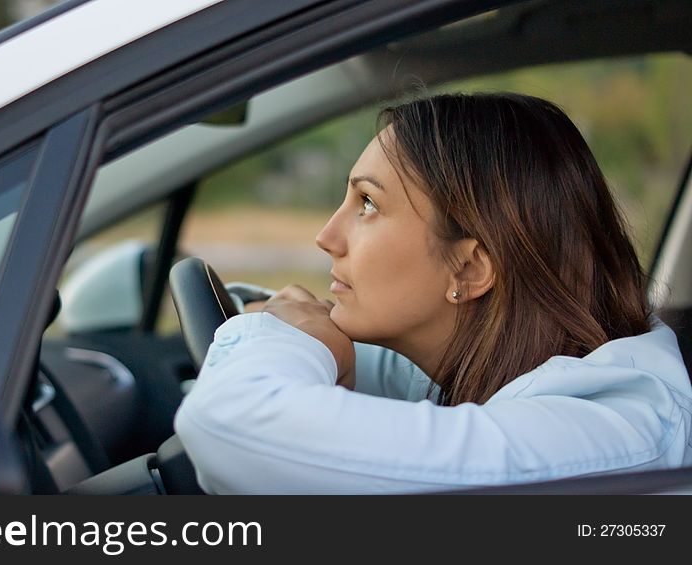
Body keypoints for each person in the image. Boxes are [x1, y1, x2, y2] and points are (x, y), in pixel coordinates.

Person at [173, 93, 692, 494]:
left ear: (468, 269)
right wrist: (286, 327)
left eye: (368, 204)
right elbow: (365, 361)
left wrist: (297, 339)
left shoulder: (604, 441)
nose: (326, 236)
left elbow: (231, 423)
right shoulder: (486, 358)